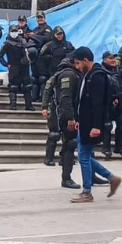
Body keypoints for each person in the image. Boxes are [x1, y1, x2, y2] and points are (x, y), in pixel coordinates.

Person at [70, 47, 122, 203]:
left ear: (86, 60)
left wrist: (96, 126)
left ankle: (87, 191)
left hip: (92, 124)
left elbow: (99, 104)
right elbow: (83, 101)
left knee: (84, 157)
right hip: (84, 122)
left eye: (78, 63)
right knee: (83, 156)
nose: (77, 66)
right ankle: (111, 178)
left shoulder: (97, 76)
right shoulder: (87, 75)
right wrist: (78, 118)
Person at [41, 56, 80, 188]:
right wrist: (44, 107)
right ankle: (49, 158)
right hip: (57, 110)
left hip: (65, 111)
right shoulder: (64, 75)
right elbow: (48, 91)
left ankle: (64, 161)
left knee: (69, 142)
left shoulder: (75, 75)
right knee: (54, 135)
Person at [0, 24, 34, 111]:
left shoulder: (23, 41)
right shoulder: (6, 43)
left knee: (27, 86)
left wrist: (27, 60)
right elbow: (0, 55)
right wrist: (6, 64)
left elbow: (29, 52)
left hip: (24, 66)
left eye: (15, 31)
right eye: (12, 31)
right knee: (13, 87)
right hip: (13, 66)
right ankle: (13, 105)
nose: (14, 33)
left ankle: (28, 105)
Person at [101, 52, 122, 159]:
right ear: (104, 59)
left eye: (114, 58)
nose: (113, 60)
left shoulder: (117, 72)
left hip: (120, 102)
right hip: (107, 102)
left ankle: (120, 146)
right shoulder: (101, 72)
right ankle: (106, 148)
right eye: (110, 58)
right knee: (107, 125)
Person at [29, 12, 53, 102]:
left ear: (45, 18)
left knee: (43, 78)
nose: (40, 19)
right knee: (34, 78)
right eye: (38, 18)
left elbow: (46, 39)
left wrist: (34, 36)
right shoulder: (35, 29)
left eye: (41, 17)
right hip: (34, 56)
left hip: (44, 56)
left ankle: (43, 98)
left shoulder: (48, 29)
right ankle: (34, 96)